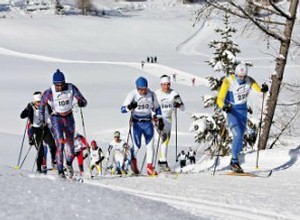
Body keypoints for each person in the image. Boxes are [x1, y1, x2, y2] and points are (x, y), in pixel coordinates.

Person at [217, 63, 268, 173]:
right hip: (232, 111)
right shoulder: (228, 81)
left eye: (244, 76)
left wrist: (264, 89)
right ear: (235, 74)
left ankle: (235, 159)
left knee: (240, 137)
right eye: (239, 76)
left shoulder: (249, 80)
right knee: (237, 134)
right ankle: (234, 162)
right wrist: (224, 107)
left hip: (243, 111)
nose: (242, 78)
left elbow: (259, 90)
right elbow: (219, 99)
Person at [39, 69, 87, 178]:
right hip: (56, 118)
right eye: (57, 85)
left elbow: (83, 101)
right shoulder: (50, 92)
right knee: (60, 143)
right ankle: (60, 171)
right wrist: (42, 120)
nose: (59, 87)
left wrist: (81, 102)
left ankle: (69, 164)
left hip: (69, 118)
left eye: (61, 85)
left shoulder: (71, 88)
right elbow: (42, 105)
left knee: (70, 145)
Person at [121, 76, 164, 176]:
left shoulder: (151, 95)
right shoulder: (132, 95)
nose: (143, 92)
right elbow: (122, 109)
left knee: (150, 145)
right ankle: (132, 163)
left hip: (148, 122)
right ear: (137, 88)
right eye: (141, 89)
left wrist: (160, 119)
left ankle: (149, 167)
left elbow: (157, 108)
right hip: (136, 123)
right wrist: (130, 107)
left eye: (144, 89)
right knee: (136, 146)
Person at [20, 91, 57, 173]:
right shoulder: (31, 107)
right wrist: (27, 110)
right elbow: (22, 116)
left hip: (45, 128)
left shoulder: (46, 105)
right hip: (36, 130)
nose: (40, 103)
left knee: (53, 145)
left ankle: (54, 162)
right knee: (41, 152)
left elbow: (53, 114)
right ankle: (38, 169)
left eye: (41, 101)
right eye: (38, 102)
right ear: (34, 101)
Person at [155, 75, 184, 172]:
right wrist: (156, 119)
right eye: (164, 85)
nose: (166, 87)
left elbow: (183, 108)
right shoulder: (156, 94)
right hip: (159, 119)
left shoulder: (174, 93)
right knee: (163, 138)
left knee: (165, 141)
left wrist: (178, 104)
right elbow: (152, 108)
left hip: (168, 119)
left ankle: (161, 161)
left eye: (168, 84)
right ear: (161, 84)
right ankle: (163, 162)